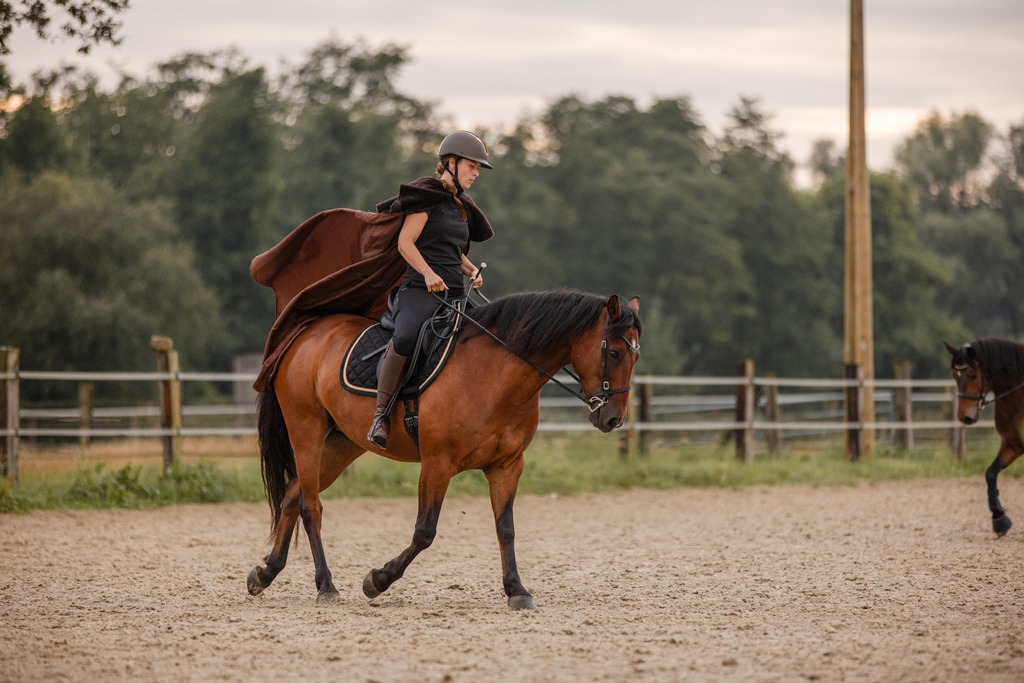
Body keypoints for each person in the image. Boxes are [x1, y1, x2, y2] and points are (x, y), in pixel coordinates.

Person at [367, 131, 494, 448]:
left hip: (452, 293)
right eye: (472, 166)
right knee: (407, 336)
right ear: (450, 163)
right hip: (419, 290)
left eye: (478, 168)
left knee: (486, 338)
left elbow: (451, 250)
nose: (476, 173)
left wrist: (470, 270)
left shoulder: (459, 205)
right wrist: (426, 273)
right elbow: (405, 243)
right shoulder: (427, 198)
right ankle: (380, 416)